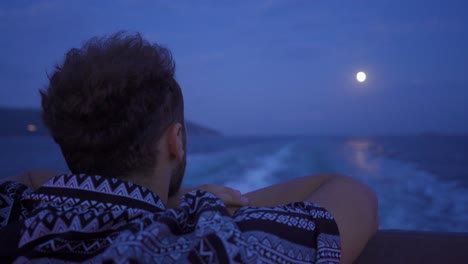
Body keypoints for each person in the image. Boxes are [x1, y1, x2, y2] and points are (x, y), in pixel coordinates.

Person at [0, 32, 378, 263]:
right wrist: (186, 202)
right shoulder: (218, 248)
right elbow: (352, 193)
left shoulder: (15, 211)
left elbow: (32, 178)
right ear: (176, 141)